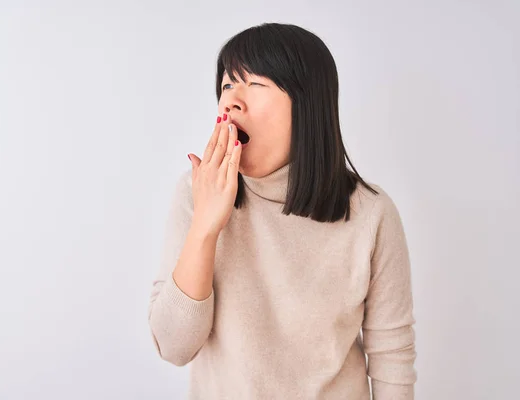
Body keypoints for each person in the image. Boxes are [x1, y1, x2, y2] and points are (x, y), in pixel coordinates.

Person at [148, 22, 417, 399]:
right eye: (227, 85)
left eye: (255, 85)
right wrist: (205, 229)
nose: (231, 101)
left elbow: (392, 357)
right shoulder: (196, 193)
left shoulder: (372, 214)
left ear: (307, 105)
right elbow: (173, 346)